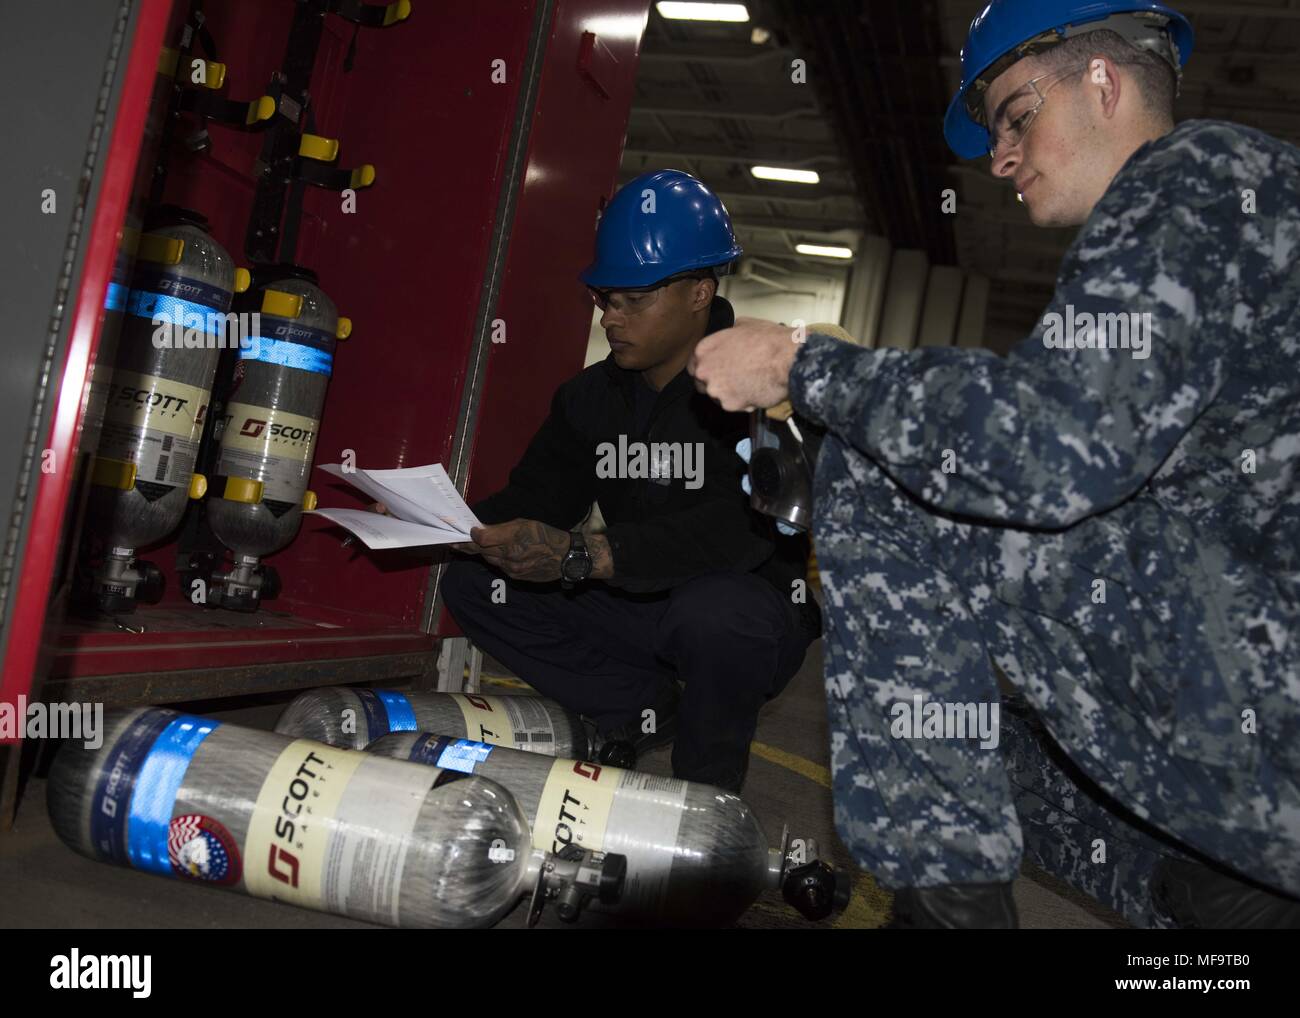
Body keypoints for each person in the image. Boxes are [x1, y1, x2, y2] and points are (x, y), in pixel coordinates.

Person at [688, 0, 1300, 927]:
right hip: (1261, 707)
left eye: (1016, 116)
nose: (1001, 157)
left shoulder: (1198, 178)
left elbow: (1050, 452)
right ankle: (1216, 905)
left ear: (1105, 80)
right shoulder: (1235, 206)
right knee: (972, 743)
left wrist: (802, 365)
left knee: (888, 475)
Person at [435, 169, 822, 793]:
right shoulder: (589, 399)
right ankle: (638, 706)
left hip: (747, 610)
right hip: (639, 601)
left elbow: (743, 535)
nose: (612, 318)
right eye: (605, 300)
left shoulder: (758, 387)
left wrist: (589, 555)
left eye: (633, 301)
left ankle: (704, 795)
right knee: (476, 580)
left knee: (716, 614)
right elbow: (537, 499)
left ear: (700, 291)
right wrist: (451, 526)